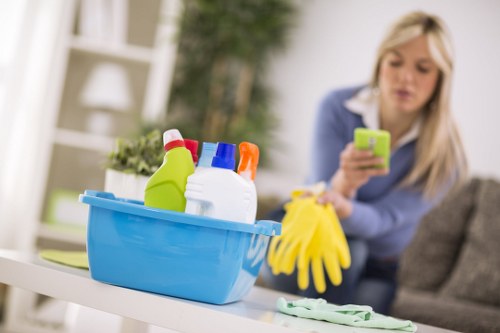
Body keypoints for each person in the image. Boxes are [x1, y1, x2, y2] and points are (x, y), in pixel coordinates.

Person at [260, 11, 468, 314]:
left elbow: (385, 220)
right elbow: (320, 196)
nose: (405, 77)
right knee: (347, 252)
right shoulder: (337, 107)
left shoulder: (447, 156)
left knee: (353, 255)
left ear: (440, 80)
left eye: (423, 68)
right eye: (395, 62)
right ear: (379, 64)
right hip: (306, 228)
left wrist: (344, 203)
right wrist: (342, 184)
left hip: (377, 261)